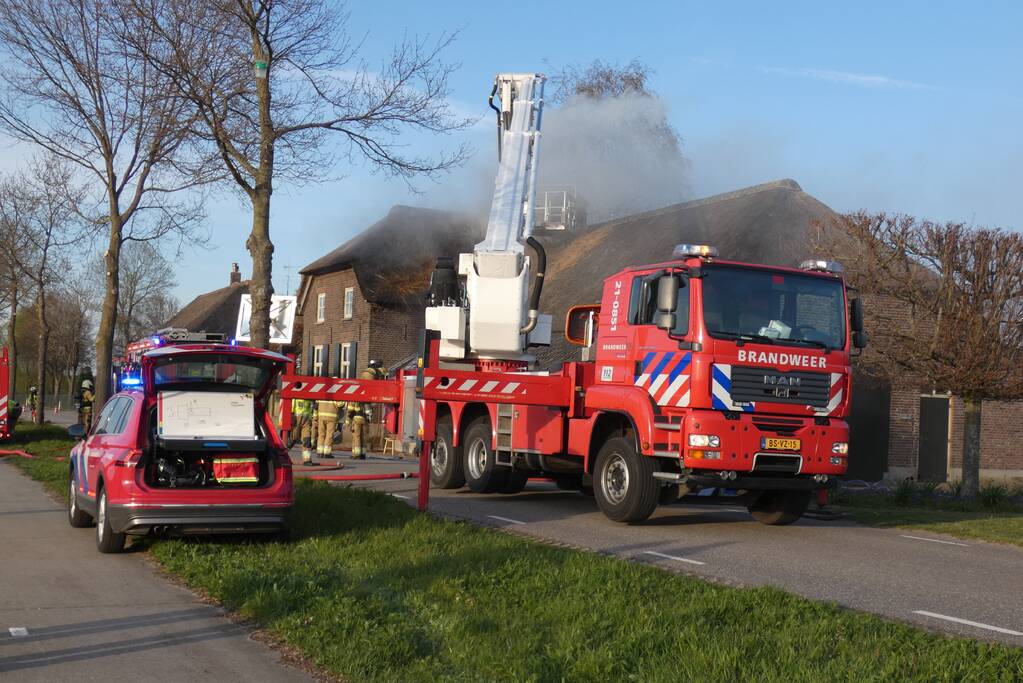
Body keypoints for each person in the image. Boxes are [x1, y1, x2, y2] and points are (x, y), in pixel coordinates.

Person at [349, 360, 386, 459]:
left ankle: (356, 454)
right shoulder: (374, 375)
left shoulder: (357, 394)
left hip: (357, 417)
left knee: (356, 436)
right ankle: (363, 453)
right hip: (365, 418)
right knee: (364, 436)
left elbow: (350, 407)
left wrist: (349, 417)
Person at [292, 398, 315, 465]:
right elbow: (291, 401)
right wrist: (291, 414)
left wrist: (310, 418)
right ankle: (281, 458)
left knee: (307, 439)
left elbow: (310, 407)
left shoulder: (309, 395)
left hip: (306, 419)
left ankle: (307, 459)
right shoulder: (295, 390)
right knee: (291, 439)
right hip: (296, 418)